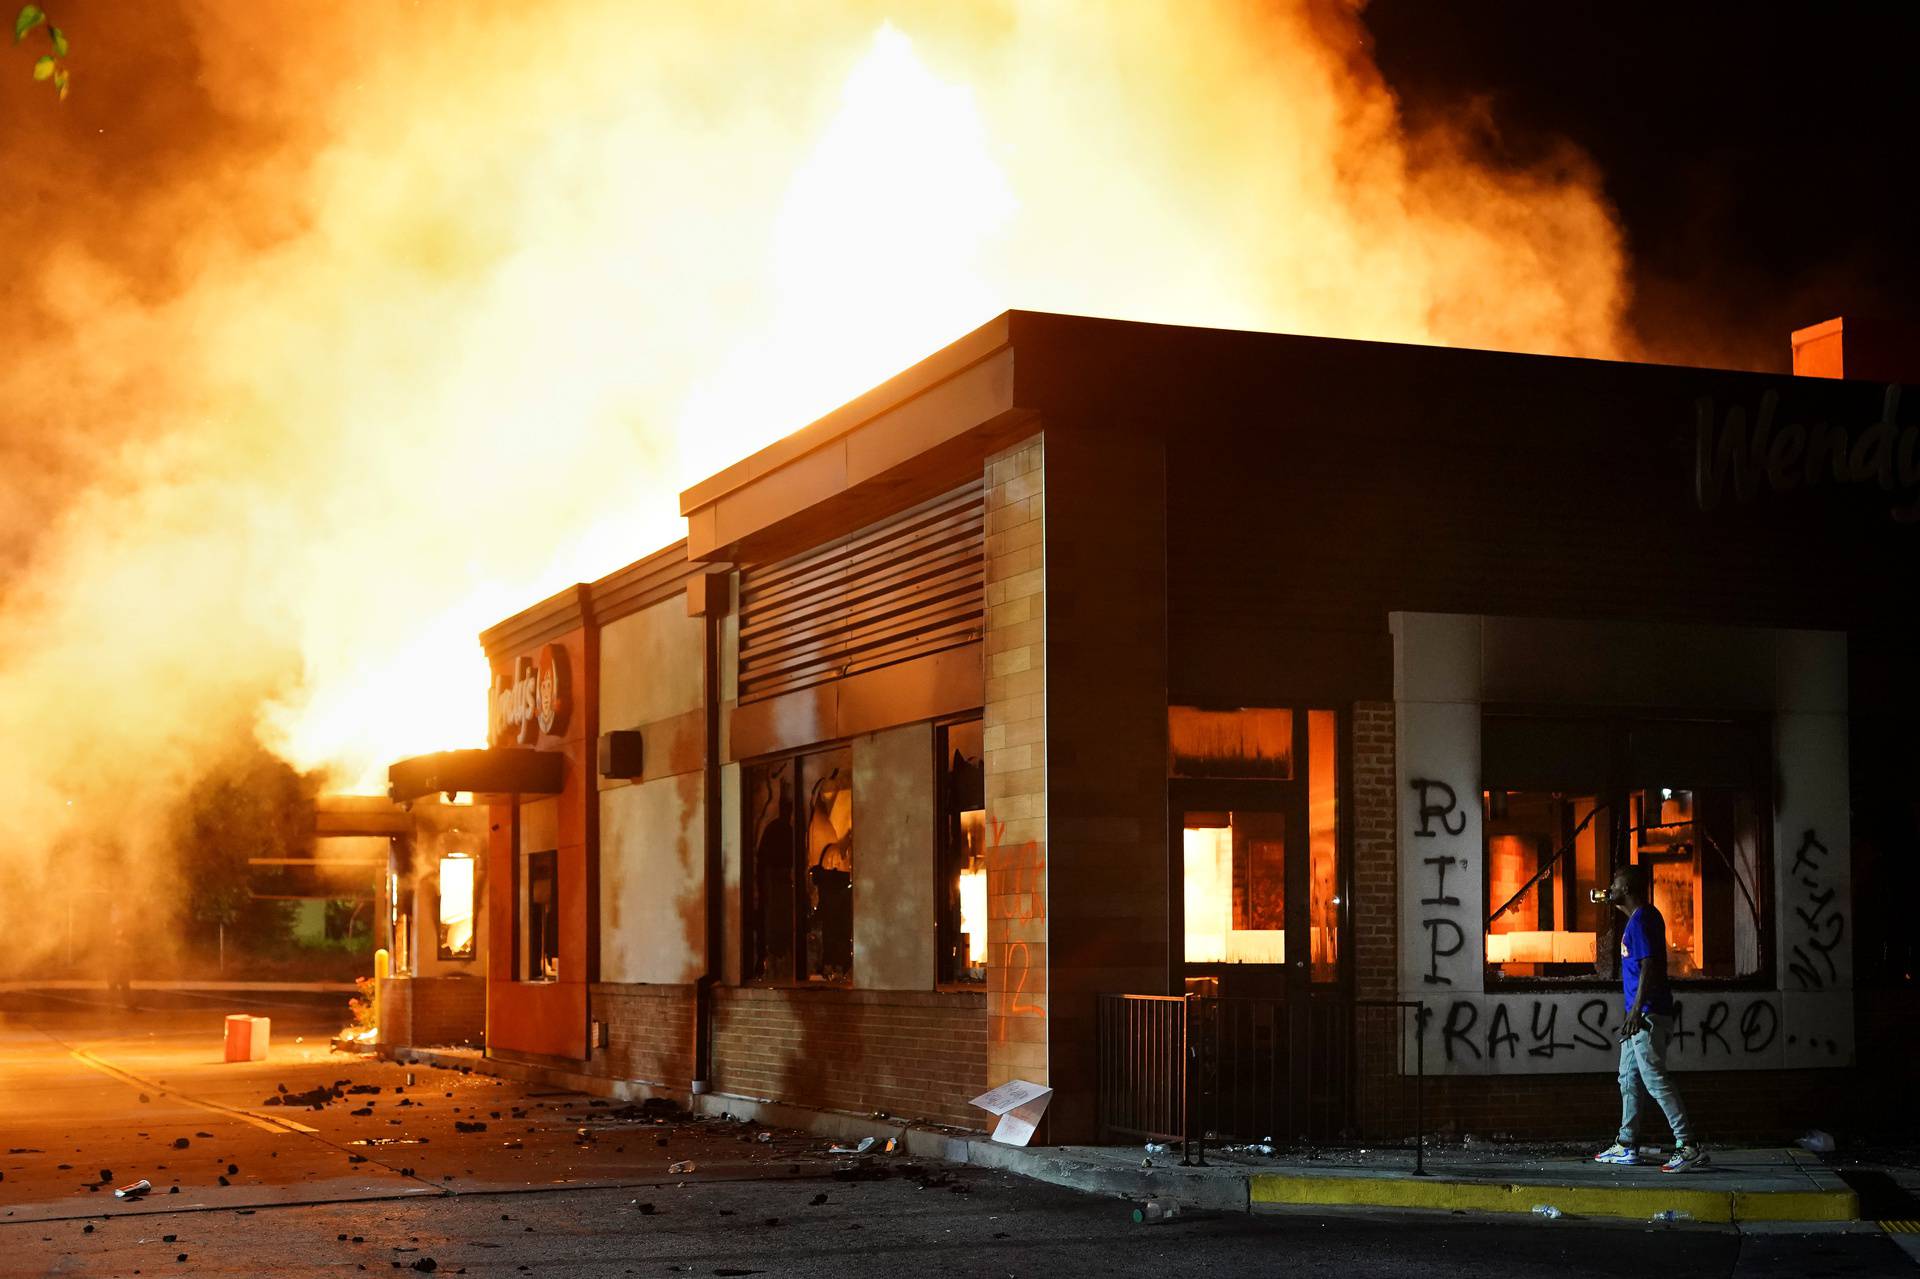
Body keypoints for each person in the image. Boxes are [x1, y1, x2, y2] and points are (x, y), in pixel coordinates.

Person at [1592, 863, 1709, 1172]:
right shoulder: (1640, 919)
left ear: (1628, 888)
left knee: (1654, 1080)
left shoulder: (1642, 921)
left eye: (1615, 885)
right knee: (1628, 1078)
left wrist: (1635, 1011)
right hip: (1642, 1015)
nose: (1610, 889)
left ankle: (1688, 1145)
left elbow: (1650, 966)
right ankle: (1626, 1143)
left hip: (1646, 1014)